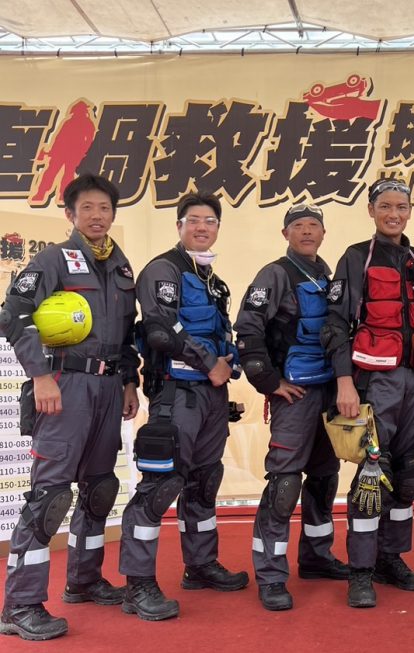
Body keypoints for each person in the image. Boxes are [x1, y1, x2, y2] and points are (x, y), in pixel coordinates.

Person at [0, 173, 139, 641]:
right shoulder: (53, 259)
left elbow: (128, 333)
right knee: (51, 497)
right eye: (88, 208)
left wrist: (129, 381)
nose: (97, 216)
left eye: (105, 208)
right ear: (70, 214)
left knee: (100, 489)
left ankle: (83, 579)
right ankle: (20, 604)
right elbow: (13, 313)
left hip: (108, 387)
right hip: (66, 384)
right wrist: (40, 374)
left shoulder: (120, 266)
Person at [119, 191, 247, 621]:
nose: (202, 227)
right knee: (160, 487)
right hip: (176, 394)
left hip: (212, 397)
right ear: (179, 226)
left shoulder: (214, 280)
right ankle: (138, 584)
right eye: (194, 220)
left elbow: (221, 333)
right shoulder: (164, 269)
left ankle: (201, 565)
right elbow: (160, 328)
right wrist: (210, 363)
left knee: (204, 483)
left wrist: (232, 360)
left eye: (210, 221)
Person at [321, 178, 414, 609]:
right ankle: (360, 571)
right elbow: (336, 324)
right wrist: (344, 381)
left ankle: (391, 558)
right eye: (386, 206)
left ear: (410, 211)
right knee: (372, 474)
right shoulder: (356, 257)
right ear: (371, 210)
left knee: (409, 476)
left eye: (401, 206)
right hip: (375, 382)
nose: (394, 214)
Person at [234, 203, 349, 612]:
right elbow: (247, 329)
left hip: (329, 394)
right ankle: (270, 575)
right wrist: (269, 382)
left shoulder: (328, 277)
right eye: (298, 225)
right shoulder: (275, 274)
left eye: (313, 225)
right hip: (295, 396)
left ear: (323, 233)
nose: (306, 231)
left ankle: (317, 557)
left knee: (324, 478)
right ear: (285, 233)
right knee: (284, 486)